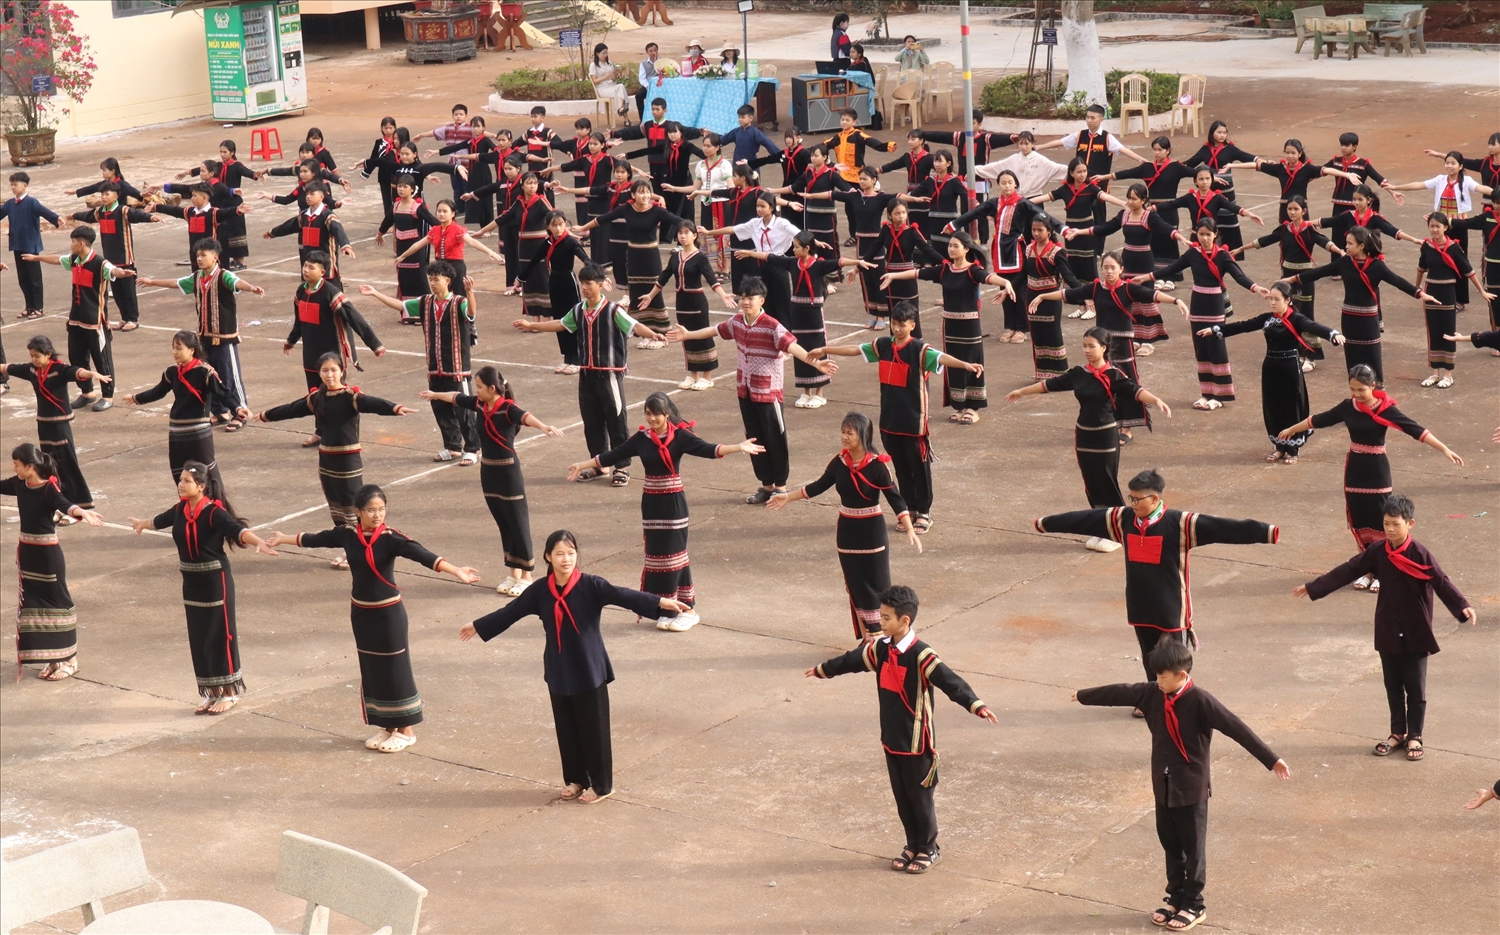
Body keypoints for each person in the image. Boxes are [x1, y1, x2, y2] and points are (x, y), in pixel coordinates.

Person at [1071, 639, 1291, 932]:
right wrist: (1083, 695)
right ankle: (1175, 898)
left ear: (1182, 675)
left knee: (1193, 849)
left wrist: (1272, 760)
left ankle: (1194, 904)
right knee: (1171, 845)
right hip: (1163, 785)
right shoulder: (1152, 693)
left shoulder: (1201, 701)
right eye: (1156, 675)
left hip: (1190, 789)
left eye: (1163, 676)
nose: (1158, 681)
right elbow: (1120, 691)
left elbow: (1237, 728)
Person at [464, 529, 692, 802]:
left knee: (594, 729)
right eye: (559, 554)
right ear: (548, 557)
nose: (566, 559)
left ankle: (602, 785)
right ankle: (576, 780)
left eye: (571, 553)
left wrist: (660, 602)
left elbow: (623, 595)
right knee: (567, 728)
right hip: (559, 667)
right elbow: (510, 613)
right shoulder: (540, 590)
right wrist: (478, 625)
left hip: (588, 666)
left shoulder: (590, 585)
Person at [267, 486, 478, 751]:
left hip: (389, 614)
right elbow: (315, 539)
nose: (377, 515)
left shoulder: (391, 538)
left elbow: (423, 555)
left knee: (396, 668)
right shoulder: (347, 534)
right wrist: (283, 539)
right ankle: (387, 726)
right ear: (358, 512)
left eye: (381, 509)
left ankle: (407, 729)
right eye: (371, 510)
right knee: (372, 668)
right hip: (361, 613)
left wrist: (456, 570)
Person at [806, 584, 996, 874]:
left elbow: (951, 682)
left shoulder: (921, 655)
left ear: (904, 620)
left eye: (885, 618)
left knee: (921, 800)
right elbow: (852, 661)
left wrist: (976, 705)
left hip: (917, 743)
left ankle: (929, 848)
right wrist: (824, 670)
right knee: (902, 800)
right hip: (891, 739)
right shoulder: (880, 649)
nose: (880, 623)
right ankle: (912, 844)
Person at [1035, 469, 1280, 681]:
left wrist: (1265, 532)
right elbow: (1082, 520)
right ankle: (1154, 696)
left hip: (1170, 607)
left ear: (1154, 499)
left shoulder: (1180, 524)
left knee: (1172, 659)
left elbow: (1225, 528)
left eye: (1137, 499)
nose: (1132, 504)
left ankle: (1177, 698)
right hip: (1139, 605)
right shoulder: (1123, 519)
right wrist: (1046, 524)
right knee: (1149, 656)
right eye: (1130, 498)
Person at [1294, 493, 1475, 763]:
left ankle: (1415, 735)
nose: (1389, 529)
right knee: (1392, 685)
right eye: (1386, 523)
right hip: (1388, 627)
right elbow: (1348, 570)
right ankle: (1397, 733)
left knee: (1415, 688)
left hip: (1415, 630)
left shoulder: (1420, 554)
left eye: (1395, 524)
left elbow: (1440, 581)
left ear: (1410, 524)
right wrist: (1314, 588)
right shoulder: (1378, 551)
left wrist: (1462, 606)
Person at [568, 392, 762, 632]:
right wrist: (583, 464)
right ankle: (668, 610)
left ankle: (689, 610)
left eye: (656, 414)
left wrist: (739, 447)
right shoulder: (642, 439)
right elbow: (613, 455)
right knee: (657, 557)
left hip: (673, 504)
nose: (651, 419)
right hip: (651, 504)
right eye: (648, 414)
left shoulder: (680, 436)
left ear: (666, 414)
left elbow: (709, 449)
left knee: (675, 557)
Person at [1278, 365, 1463, 584]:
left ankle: (1383, 570)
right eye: (1352, 389)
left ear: (1373, 386)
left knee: (1381, 521)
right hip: (1355, 470)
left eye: (1361, 390)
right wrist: (1292, 429)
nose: (1356, 394)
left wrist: (1444, 449)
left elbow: (1416, 430)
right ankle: (1366, 570)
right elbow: (1318, 420)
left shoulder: (1385, 409)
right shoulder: (1348, 406)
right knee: (1359, 520)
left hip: (1377, 471)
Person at [811, 300, 981, 533]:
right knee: (900, 468)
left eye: (902, 324)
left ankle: (924, 512)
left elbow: (942, 358)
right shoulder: (883, 345)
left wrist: (965, 365)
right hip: (890, 422)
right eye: (894, 323)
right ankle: (909, 509)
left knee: (919, 468)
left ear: (912, 325)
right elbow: (856, 349)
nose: (897, 328)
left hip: (913, 422)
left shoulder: (920, 350)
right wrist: (825, 350)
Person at [670, 275, 836, 503]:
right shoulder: (737, 321)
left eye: (751, 298)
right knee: (754, 439)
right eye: (743, 297)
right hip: (745, 390)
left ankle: (780, 485)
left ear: (762, 300)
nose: (746, 302)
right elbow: (714, 330)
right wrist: (688, 335)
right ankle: (766, 485)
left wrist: (816, 364)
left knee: (775, 438)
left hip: (768, 393)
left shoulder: (772, 326)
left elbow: (793, 347)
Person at [130, 462, 278, 714]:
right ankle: (212, 692)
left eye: (187, 481)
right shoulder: (180, 509)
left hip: (215, 582)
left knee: (220, 634)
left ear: (201, 486)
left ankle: (229, 693)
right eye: (180, 480)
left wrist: (259, 542)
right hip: (191, 582)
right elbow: (158, 520)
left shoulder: (214, 512)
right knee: (200, 637)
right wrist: (142, 523)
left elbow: (238, 530)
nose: (181, 485)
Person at [770, 411, 921, 640]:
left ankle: (882, 637)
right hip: (847, 532)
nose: (844, 437)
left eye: (849, 433)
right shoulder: (839, 462)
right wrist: (787, 497)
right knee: (856, 585)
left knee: (878, 585)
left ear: (863, 435)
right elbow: (817, 486)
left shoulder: (878, 465)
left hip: (872, 533)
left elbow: (895, 498)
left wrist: (909, 527)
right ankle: (869, 637)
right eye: (843, 432)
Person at [514, 264, 662, 488]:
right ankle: (600, 465)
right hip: (587, 374)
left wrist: (653, 334)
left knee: (616, 420)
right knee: (592, 422)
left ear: (600, 285)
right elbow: (561, 324)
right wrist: (532, 325)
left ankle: (621, 467)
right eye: (582, 283)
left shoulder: (613, 310)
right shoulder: (578, 310)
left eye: (588, 283)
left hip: (609, 374)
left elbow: (635, 326)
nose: (584, 287)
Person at [422, 366, 563, 597]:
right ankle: (513, 573)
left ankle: (527, 576)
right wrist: (435, 394)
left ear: (492, 388)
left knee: (517, 522)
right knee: (503, 523)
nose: (476, 391)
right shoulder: (480, 404)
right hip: (488, 471)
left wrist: (543, 426)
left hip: (508, 472)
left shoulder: (507, 408)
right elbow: (456, 397)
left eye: (479, 387)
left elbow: (525, 416)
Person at [1007, 328, 1170, 527]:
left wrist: (1156, 400)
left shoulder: (1113, 374)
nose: (1086, 350)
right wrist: (1022, 391)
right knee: (1091, 484)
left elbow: (1135, 390)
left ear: (1104, 348)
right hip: (1083, 436)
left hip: (1105, 437)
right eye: (1084, 346)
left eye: (1091, 346)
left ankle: (1117, 526)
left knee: (1107, 483)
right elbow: (1049, 385)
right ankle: (1101, 525)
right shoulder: (1078, 373)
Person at [256, 352, 415, 547]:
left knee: (353, 505)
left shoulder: (350, 397)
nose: (329, 374)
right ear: (319, 373)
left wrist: (395, 408)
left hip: (348, 461)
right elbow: (292, 409)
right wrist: (265, 415)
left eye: (334, 370)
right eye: (325, 370)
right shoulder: (317, 398)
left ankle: (362, 546)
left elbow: (372, 403)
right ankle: (349, 548)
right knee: (336, 506)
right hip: (326, 461)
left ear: (342, 371)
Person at [1031, 250, 1184, 440]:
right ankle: (1110, 422)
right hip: (1102, 347)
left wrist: (1176, 300)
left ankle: (1126, 428)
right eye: (1105, 268)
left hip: (1123, 345)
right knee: (1103, 384)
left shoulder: (1128, 288)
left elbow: (1152, 294)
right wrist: (1043, 296)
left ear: (1121, 269)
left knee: (1127, 385)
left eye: (1113, 267)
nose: (1109, 271)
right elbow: (1068, 293)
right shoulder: (1096, 288)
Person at [881, 231, 1016, 425]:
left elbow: (990, 277)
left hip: (970, 327)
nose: (951, 249)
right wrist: (894, 276)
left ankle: (973, 408)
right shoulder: (945, 269)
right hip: (950, 326)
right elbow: (918, 273)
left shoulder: (973, 270)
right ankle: (959, 406)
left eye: (955, 246)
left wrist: (1006, 283)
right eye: (950, 245)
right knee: (953, 364)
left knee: (972, 362)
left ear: (966, 249)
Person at [1199, 283, 1342, 464]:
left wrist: (1333, 334)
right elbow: (1243, 326)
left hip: (1290, 367)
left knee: (1291, 406)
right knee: (1273, 406)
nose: (1272, 303)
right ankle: (1279, 447)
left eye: (1277, 299)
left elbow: (1314, 327)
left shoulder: (1297, 319)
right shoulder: (1267, 319)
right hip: (1271, 367)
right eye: (1271, 299)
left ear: (1288, 300)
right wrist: (1216, 330)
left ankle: (1293, 449)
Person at [1137, 217, 1269, 410]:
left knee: (1216, 349)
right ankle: (1206, 394)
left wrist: (1256, 288)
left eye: (1208, 234)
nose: (1205, 238)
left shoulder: (1222, 255)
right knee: (1201, 350)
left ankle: (1220, 395)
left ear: (1215, 234)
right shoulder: (1193, 253)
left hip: (1215, 308)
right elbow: (1173, 268)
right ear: (1196, 234)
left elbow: (1239, 276)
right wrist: (1146, 277)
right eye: (1201, 234)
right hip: (1197, 307)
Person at [135, 238, 265, 429]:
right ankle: (220, 412)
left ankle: (240, 412)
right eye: (197, 255)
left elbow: (238, 283)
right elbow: (176, 282)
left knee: (230, 376)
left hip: (224, 338)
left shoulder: (223, 276)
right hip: (204, 338)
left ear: (215, 257)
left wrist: (252, 288)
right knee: (210, 376)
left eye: (204, 255)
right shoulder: (197, 278)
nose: (199, 258)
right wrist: (152, 282)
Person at [737, 230, 874, 408]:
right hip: (797, 312)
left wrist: (858, 263)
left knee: (818, 347)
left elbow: (839, 262)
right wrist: (749, 253)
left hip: (814, 313)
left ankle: (819, 393)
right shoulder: (792, 263)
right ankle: (806, 391)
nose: (793, 250)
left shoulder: (818, 265)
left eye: (796, 247)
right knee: (800, 349)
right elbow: (769, 256)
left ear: (807, 248)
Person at [360, 262, 480, 464]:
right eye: (430, 279)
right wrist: (375, 293)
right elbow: (401, 306)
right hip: (435, 367)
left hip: (457, 367)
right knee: (440, 408)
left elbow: (471, 313)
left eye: (436, 279)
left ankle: (472, 449)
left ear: (447, 281)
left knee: (464, 409)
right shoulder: (425, 302)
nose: (432, 283)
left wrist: (470, 293)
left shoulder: (459, 302)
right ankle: (452, 447)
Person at [1277, 227, 1432, 383]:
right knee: (1352, 355)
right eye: (1346, 243)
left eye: (1350, 244)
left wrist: (1419, 294)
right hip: (1349, 318)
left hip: (1369, 319)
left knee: (1372, 354)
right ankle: (1356, 388)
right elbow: (1319, 272)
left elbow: (1397, 281)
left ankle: (1377, 387)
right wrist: (1292, 279)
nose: (1346, 247)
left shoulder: (1377, 266)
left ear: (1361, 246)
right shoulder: (1345, 263)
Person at [3, 443, 103, 681]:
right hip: (27, 553)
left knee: (58, 602)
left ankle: (71, 660)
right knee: (36, 603)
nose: (14, 468)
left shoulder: (48, 488)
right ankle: (54, 659)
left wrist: (82, 512)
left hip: (47, 556)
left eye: (17, 465)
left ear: (30, 467)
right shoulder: (19, 484)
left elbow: (65, 505)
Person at [120, 330, 249, 491]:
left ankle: (217, 503)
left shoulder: (205, 372)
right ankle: (188, 505)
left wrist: (237, 408)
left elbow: (223, 393)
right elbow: (158, 391)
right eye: (173, 348)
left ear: (191, 350)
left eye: (179, 348)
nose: (175, 352)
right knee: (181, 475)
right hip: (177, 432)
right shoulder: (172, 372)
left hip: (198, 432)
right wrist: (136, 398)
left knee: (207, 473)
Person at [284, 251, 385, 449]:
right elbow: (300, 322)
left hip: (332, 356)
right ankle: (320, 432)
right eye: (305, 266)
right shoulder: (301, 291)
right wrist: (291, 340)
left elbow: (354, 318)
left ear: (323, 272)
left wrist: (375, 344)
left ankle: (344, 434)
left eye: (311, 267)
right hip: (311, 355)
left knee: (338, 396)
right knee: (316, 396)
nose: (306, 270)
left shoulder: (331, 293)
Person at [1066, 182, 1178, 354]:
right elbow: (1105, 228)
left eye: (1134, 199)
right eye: (1128, 198)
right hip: (1127, 263)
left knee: (1145, 301)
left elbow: (1166, 229)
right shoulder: (1124, 214)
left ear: (1144, 200)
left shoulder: (1150, 216)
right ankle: (1135, 337)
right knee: (1129, 300)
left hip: (1144, 263)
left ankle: (1148, 341)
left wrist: (1182, 239)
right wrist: (1079, 232)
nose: (1130, 202)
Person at [1235, 195, 1341, 370]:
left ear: (1304, 211)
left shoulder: (1309, 230)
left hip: (1305, 278)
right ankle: (1298, 352)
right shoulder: (1285, 230)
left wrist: (1341, 252)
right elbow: (1265, 240)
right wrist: (1241, 248)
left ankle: (1311, 356)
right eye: (1289, 209)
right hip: (1286, 278)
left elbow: (1325, 243)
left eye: (1296, 209)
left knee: (1306, 315)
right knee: (1290, 313)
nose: (1292, 212)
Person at [5, 335, 108, 509]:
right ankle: (61, 504)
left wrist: (91, 374)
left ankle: (80, 504)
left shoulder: (58, 369)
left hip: (60, 425)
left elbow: (75, 372)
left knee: (67, 464)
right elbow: (9, 368)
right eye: (31, 356)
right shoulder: (32, 370)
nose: (34, 359)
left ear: (48, 354)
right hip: (43, 424)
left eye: (37, 356)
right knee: (49, 466)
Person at [947, 169, 1046, 344]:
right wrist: (954, 224)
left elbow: (1044, 217)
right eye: (1003, 182)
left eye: (1010, 182)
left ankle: (1022, 328)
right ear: (998, 185)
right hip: (1000, 252)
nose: (1007, 186)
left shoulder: (1022, 203)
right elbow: (974, 213)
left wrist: (1062, 231)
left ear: (1015, 184)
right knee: (1003, 290)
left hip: (1017, 251)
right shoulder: (994, 203)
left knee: (1019, 290)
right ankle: (1010, 326)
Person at [636, 221, 736, 389]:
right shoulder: (675, 256)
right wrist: (650, 296)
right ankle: (693, 374)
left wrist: (723, 295)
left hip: (697, 303)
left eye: (686, 233)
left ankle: (707, 376)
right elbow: (664, 277)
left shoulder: (700, 257)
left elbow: (711, 279)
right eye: (680, 233)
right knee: (685, 337)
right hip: (681, 303)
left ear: (694, 235)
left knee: (702, 337)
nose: (683, 236)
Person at [575, 181, 678, 343]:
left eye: (647, 192)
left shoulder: (657, 210)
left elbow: (677, 220)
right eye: (641, 192)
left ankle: (660, 333)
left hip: (651, 256)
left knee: (654, 292)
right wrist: (582, 228)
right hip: (633, 256)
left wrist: (693, 233)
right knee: (635, 293)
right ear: (633, 195)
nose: (645, 196)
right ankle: (643, 333)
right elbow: (603, 219)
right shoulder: (626, 208)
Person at [1028, 159, 1127, 318]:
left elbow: (1105, 196)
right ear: (1071, 173)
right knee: (1074, 267)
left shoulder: (1091, 188)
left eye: (1084, 171)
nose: (1082, 174)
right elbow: (1045, 197)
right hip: (1070, 233)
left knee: (1088, 268)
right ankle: (1081, 305)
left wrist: (1123, 203)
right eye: (1079, 172)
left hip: (1086, 232)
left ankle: (1092, 307)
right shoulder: (1065, 189)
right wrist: (1022, 202)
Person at [1036, 104, 1149, 236]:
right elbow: (1060, 142)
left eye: (1092, 118)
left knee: (1099, 218)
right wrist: (1039, 147)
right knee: (1080, 213)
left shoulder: (1107, 137)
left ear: (1101, 119)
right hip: (1080, 185)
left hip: (1098, 184)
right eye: (1087, 117)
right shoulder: (1080, 135)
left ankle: (1099, 246)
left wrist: (1140, 159)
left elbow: (1122, 149)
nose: (1089, 120)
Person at [1389, 152, 1482, 307]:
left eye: (1453, 163)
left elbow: (1481, 188)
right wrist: (1395, 187)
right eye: (1447, 163)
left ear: (1460, 166)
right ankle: (1440, 294)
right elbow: (1419, 185)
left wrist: (1495, 194)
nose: (1449, 166)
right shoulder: (1440, 180)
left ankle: (1460, 300)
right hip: (1440, 225)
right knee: (1438, 259)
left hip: (1459, 225)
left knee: (1460, 262)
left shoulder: (1466, 181)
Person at [1414, 212, 1494, 387]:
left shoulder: (1453, 247)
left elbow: (1469, 271)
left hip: (1448, 293)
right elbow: (1421, 268)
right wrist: (1416, 288)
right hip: (1430, 292)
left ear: (1445, 228)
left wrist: (1482, 291)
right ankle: (1435, 373)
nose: (1434, 229)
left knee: (1448, 332)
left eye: (1438, 226)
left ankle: (1448, 374)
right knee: (1433, 332)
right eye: (1432, 226)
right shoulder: (1427, 246)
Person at [69, 180, 160, 332]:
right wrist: (74, 215)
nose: (103, 197)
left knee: (128, 292)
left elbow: (137, 215)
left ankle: (133, 319)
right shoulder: (100, 212)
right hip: (110, 261)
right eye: (102, 194)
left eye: (107, 194)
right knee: (117, 292)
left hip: (125, 259)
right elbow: (88, 215)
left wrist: (150, 218)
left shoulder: (123, 211)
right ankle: (124, 318)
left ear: (116, 196)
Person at [512, 210, 593, 372]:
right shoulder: (548, 242)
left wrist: (598, 276)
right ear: (548, 227)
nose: (558, 228)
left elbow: (585, 259)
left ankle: (577, 359)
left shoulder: (570, 242)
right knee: (560, 320)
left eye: (561, 224)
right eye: (554, 225)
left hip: (568, 282)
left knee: (573, 319)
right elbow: (534, 260)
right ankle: (567, 358)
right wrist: (520, 278)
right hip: (554, 282)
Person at [1222, 138, 1357, 225]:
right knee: (1285, 236)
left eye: (1293, 153)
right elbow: (1255, 165)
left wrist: (1347, 174)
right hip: (1285, 208)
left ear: (1300, 154)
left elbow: (1327, 170)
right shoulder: (1280, 168)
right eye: (1287, 153)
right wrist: (1232, 165)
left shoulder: (1307, 169)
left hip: (1301, 208)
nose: (1290, 156)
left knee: (1303, 234)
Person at [1181, 121, 1257, 251]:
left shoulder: (1230, 149)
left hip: (1227, 192)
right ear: (1212, 133)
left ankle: (1229, 253)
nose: (1222, 135)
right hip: (1209, 194)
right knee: (1209, 223)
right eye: (1219, 132)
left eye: (1224, 132)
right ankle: (1207, 252)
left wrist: (1262, 161)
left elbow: (1246, 156)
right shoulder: (1205, 149)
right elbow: (1190, 163)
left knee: (1228, 221)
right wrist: (1174, 167)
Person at [263, 183, 355, 284]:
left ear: (321, 197)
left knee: (330, 289)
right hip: (309, 260)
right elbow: (290, 225)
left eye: (312, 194)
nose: (308, 196)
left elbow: (338, 230)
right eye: (307, 194)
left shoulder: (328, 216)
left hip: (325, 263)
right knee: (309, 288)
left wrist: (345, 245)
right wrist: (273, 232)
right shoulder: (304, 215)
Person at [3, 172, 63, 321]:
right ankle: (29, 306)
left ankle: (38, 307)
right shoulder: (10, 203)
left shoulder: (32, 202)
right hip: (17, 244)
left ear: (25, 185)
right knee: (23, 279)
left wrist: (57, 219)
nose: (13, 187)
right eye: (12, 184)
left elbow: (45, 212)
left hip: (30, 245)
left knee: (34, 279)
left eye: (16, 184)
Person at [375, 179, 438, 300]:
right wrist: (380, 233)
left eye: (405, 187)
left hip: (415, 249)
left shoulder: (417, 207)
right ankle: (406, 306)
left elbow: (432, 220)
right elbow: (387, 221)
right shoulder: (395, 206)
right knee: (404, 276)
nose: (401, 189)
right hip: (401, 247)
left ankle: (426, 303)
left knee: (419, 276)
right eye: (399, 186)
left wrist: (446, 229)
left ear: (412, 189)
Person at [1324, 131, 1399, 215]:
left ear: (1354, 146)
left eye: (1347, 145)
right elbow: (1319, 171)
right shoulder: (1336, 161)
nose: (1343, 148)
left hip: (1356, 204)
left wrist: (1393, 192)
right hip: (1338, 203)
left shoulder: (1363, 164)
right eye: (1342, 145)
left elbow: (1379, 179)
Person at [589, 43, 631, 118]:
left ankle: (621, 109)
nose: (605, 55)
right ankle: (625, 117)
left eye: (606, 53)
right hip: (602, 88)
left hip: (611, 85)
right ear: (597, 53)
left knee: (621, 86)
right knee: (620, 93)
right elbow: (595, 81)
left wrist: (615, 74)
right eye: (603, 53)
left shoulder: (609, 63)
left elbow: (613, 79)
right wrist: (606, 77)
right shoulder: (593, 65)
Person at [635, 43, 663, 120]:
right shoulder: (643, 63)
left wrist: (657, 63)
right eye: (650, 51)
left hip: (661, 84)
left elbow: (666, 74)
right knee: (638, 96)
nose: (653, 53)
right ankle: (642, 119)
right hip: (649, 85)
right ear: (647, 52)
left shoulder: (663, 61)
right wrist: (648, 87)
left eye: (655, 50)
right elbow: (642, 78)